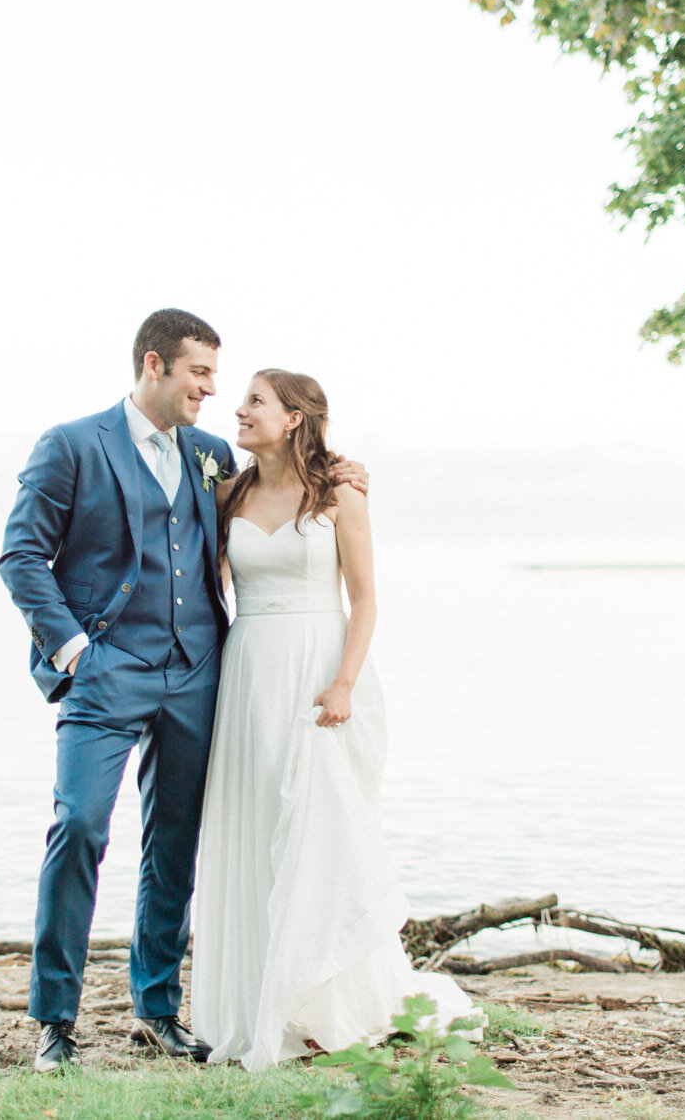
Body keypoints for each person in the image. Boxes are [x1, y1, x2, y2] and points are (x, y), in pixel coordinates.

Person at [0, 310, 367, 1072]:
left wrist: (342, 471)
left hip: (200, 673)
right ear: (155, 364)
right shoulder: (71, 444)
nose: (212, 389)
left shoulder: (209, 455)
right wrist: (75, 650)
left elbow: (280, 497)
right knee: (81, 827)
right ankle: (56, 1019)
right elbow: (21, 556)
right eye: (200, 373)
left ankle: (157, 1006)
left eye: (217, 376)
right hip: (104, 672)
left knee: (175, 846)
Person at [190, 369, 474, 1070]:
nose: (238, 409)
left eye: (254, 400)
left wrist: (344, 680)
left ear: (293, 417)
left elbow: (367, 598)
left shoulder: (341, 492)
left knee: (320, 836)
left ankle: (327, 1001)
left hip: (321, 673)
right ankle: (264, 1003)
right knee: (259, 832)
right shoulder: (228, 492)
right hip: (250, 670)